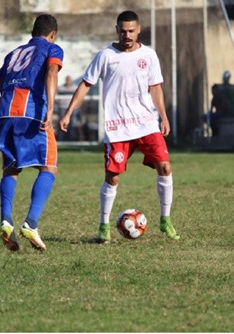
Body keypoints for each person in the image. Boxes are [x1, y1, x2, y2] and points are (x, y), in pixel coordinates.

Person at [59, 10, 180, 243]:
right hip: (118, 129)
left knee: (164, 167)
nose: (127, 35)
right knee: (112, 178)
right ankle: (104, 226)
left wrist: (163, 117)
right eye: (123, 31)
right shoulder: (105, 55)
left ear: (139, 30)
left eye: (131, 31)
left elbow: (155, 87)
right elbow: (85, 84)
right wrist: (68, 112)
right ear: (117, 31)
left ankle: (165, 220)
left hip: (146, 124)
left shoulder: (149, 55)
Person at [0, 14, 63, 251]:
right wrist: (50, 109)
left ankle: (6, 219)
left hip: (5, 114)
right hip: (30, 113)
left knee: (11, 169)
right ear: (52, 34)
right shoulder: (53, 48)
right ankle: (31, 223)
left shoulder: (13, 54)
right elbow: (51, 73)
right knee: (49, 166)